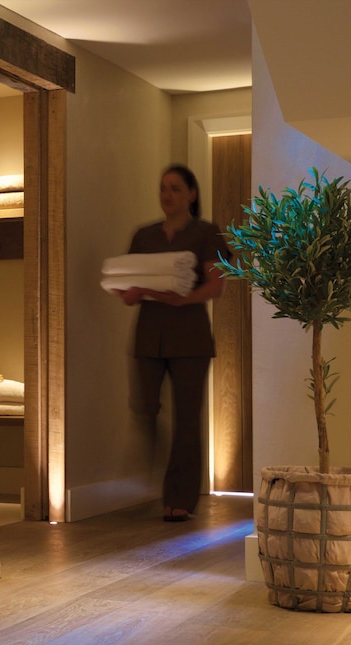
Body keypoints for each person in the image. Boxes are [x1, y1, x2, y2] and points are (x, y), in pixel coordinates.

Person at [114, 164, 228, 522]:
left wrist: (185, 299)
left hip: (189, 335)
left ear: (191, 194)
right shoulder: (144, 235)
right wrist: (128, 293)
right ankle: (156, 473)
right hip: (149, 334)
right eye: (164, 188)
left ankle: (179, 498)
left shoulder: (206, 233)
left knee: (187, 419)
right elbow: (128, 281)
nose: (168, 195)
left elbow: (216, 285)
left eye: (176, 188)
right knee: (145, 408)